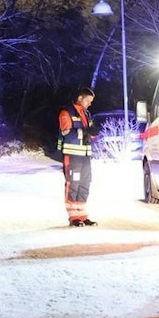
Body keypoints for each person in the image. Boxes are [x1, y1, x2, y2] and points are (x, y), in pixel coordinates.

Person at [57, 89, 98, 227]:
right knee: (73, 184)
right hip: (72, 155)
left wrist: (94, 132)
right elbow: (66, 132)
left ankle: (82, 215)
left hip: (85, 156)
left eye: (91, 102)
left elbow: (91, 133)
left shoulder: (86, 114)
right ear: (80, 98)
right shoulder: (66, 112)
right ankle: (73, 217)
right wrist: (85, 132)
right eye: (88, 101)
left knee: (85, 184)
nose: (89, 104)